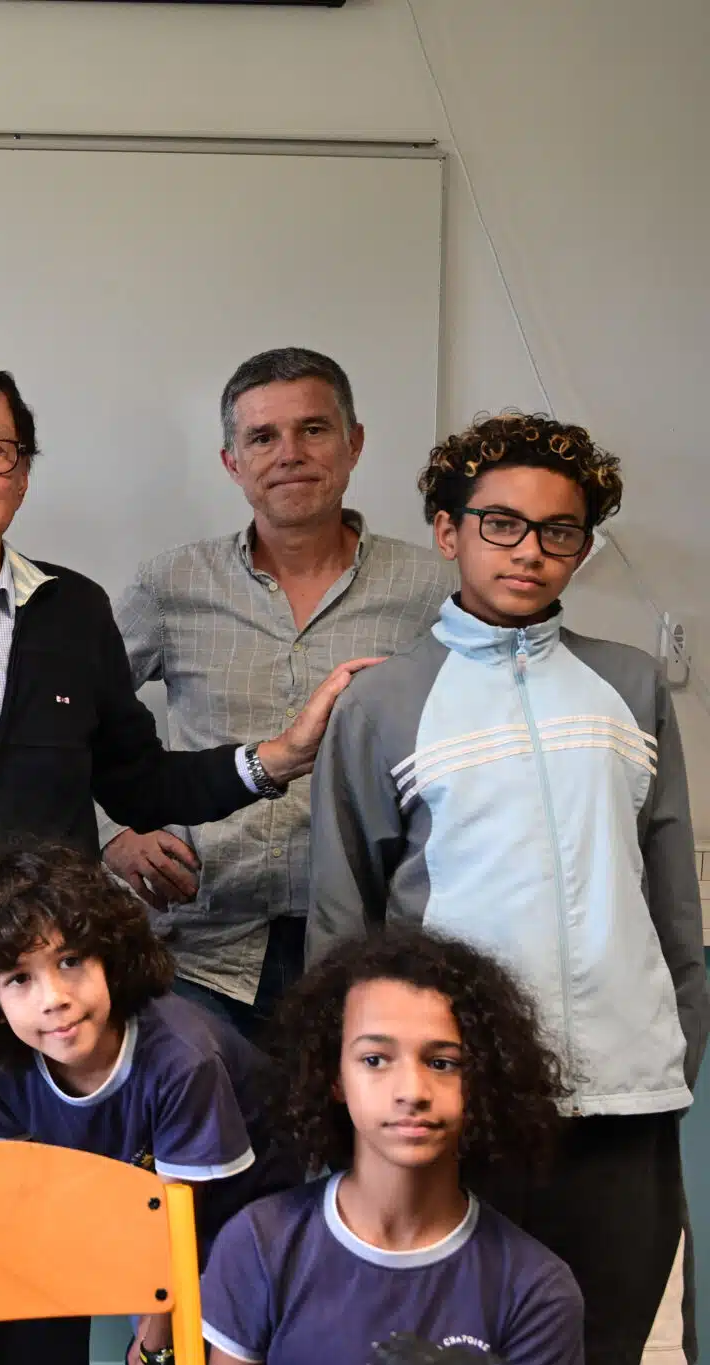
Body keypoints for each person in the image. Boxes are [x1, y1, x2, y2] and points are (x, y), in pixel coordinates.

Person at [0, 360, 377, 1365]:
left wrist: (272, 761)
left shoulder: (72, 612)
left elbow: (136, 783)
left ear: (21, 470)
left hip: (44, 1040)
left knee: (39, 1313)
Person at [308, 413, 707, 1365]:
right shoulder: (383, 701)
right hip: (459, 1095)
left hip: (625, 1097)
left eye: (558, 530)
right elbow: (343, 917)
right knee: (456, 1347)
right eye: (501, 524)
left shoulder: (632, 686)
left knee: (612, 1342)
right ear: (449, 532)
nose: (530, 551)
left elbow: (673, 907)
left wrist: (671, 1050)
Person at [98, 348, 450, 1037]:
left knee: (341, 1144)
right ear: (233, 462)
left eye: (313, 430)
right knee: (201, 1142)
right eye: (263, 436)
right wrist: (115, 835)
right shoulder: (171, 585)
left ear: (354, 445)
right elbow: (64, 722)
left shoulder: (431, 591)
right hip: (197, 948)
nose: (289, 453)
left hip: (367, 946)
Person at [0, 842, 297, 1365]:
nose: (53, 998)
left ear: (111, 958)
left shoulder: (183, 1061)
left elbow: (177, 1232)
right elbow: (25, 1191)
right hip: (144, 1218)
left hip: (256, 1224)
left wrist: (151, 1346)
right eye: (19, 979)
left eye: (70, 960)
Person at [201, 930, 584, 1365]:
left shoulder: (536, 1289)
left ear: (483, 1080)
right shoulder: (258, 1244)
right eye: (375, 1060)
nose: (411, 1091)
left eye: (443, 1063)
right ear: (333, 1076)